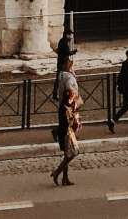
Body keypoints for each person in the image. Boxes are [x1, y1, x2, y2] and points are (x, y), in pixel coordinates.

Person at [51, 57, 81, 188]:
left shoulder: (62, 76)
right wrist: (76, 104)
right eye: (72, 65)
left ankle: (65, 177)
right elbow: (71, 94)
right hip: (68, 115)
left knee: (67, 149)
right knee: (73, 150)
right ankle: (57, 172)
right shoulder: (69, 78)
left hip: (64, 113)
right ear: (69, 66)